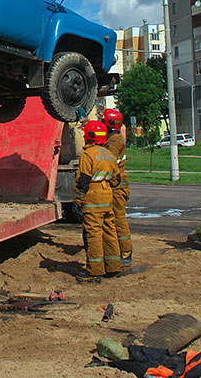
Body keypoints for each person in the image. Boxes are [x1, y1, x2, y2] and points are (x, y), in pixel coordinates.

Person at [74, 120, 121, 282]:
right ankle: (114, 267)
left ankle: (94, 271)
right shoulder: (108, 154)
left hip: (92, 199)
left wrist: (77, 201)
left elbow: (83, 181)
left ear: (88, 136)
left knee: (93, 234)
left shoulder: (88, 155)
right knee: (110, 232)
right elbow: (117, 180)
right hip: (107, 198)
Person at [102, 109, 133, 268]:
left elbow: (107, 160)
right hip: (116, 184)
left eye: (103, 122)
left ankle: (126, 253)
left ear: (109, 124)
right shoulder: (113, 138)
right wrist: (84, 122)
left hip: (117, 185)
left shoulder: (114, 141)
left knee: (118, 218)